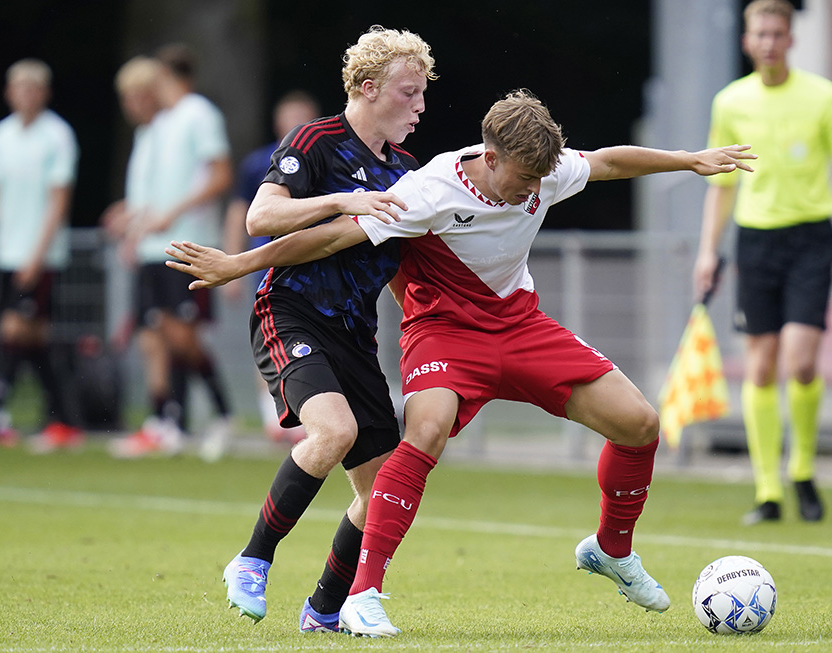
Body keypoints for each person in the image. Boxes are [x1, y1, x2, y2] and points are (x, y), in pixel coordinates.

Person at [165, 89, 755, 637]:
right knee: (424, 432)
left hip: (520, 325)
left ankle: (613, 550)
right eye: (523, 179)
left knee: (640, 424)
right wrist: (238, 266)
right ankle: (361, 595)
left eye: (540, 180)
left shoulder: (543, 170)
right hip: (445, 333)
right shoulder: (430, 187)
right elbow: (331, 238)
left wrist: (690, 159)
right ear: (491, 158)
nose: (532, 193)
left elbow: (608, 162)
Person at [196, 26, 435, 633]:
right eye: (409, 93)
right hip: (293, 311)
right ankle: (251, 559)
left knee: (379, 491)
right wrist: (340, 201)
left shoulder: (406, 169)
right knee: (333, 432)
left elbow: (399, 264)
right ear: (367, 87)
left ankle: (325, 608)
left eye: (423, 94)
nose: (420, 107)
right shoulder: (317, 142)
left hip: (356, 334)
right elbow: (261, 216)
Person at [692, 0, 832, 526]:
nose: (769, 42)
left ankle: (801, 467)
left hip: (810, 241)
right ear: (747, 40)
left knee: (800, 362)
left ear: (790, 40)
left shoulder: (823, 97)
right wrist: (708, 250)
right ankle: (767, 490)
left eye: (778, 33)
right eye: (760, 33)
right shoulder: (730, 101)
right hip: (756, 242)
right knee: (760, 366)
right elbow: (721, 184)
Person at [106, 44, 235, 459]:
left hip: (185, 241)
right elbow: (154, 192)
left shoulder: (198, 114)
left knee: (181, 336)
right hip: (151, 246)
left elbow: (219, 177)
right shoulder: (156, 127)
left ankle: (222, 412)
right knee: (152, 337)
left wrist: (171, 214)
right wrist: (131, 223)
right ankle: (165, 421)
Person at [0, 59, 83, 454]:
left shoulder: (57, 135)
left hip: (39, 255)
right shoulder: (0, 135)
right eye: (19, 87)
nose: (26, 94)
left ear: (44, 93)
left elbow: (58, 202)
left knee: (12, 331)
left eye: (33, 87)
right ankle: (63, 419)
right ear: (10, 92)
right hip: (6, 252)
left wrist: (36, 255)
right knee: (35, 338)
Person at [222, 90, 322, 449]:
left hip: (313, 264)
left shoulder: (324, 158)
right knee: (269, 338)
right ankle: (274, 417)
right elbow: (239, 212)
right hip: (268, 265)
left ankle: (310, 415)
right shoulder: (257, 162)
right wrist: (232, 263)